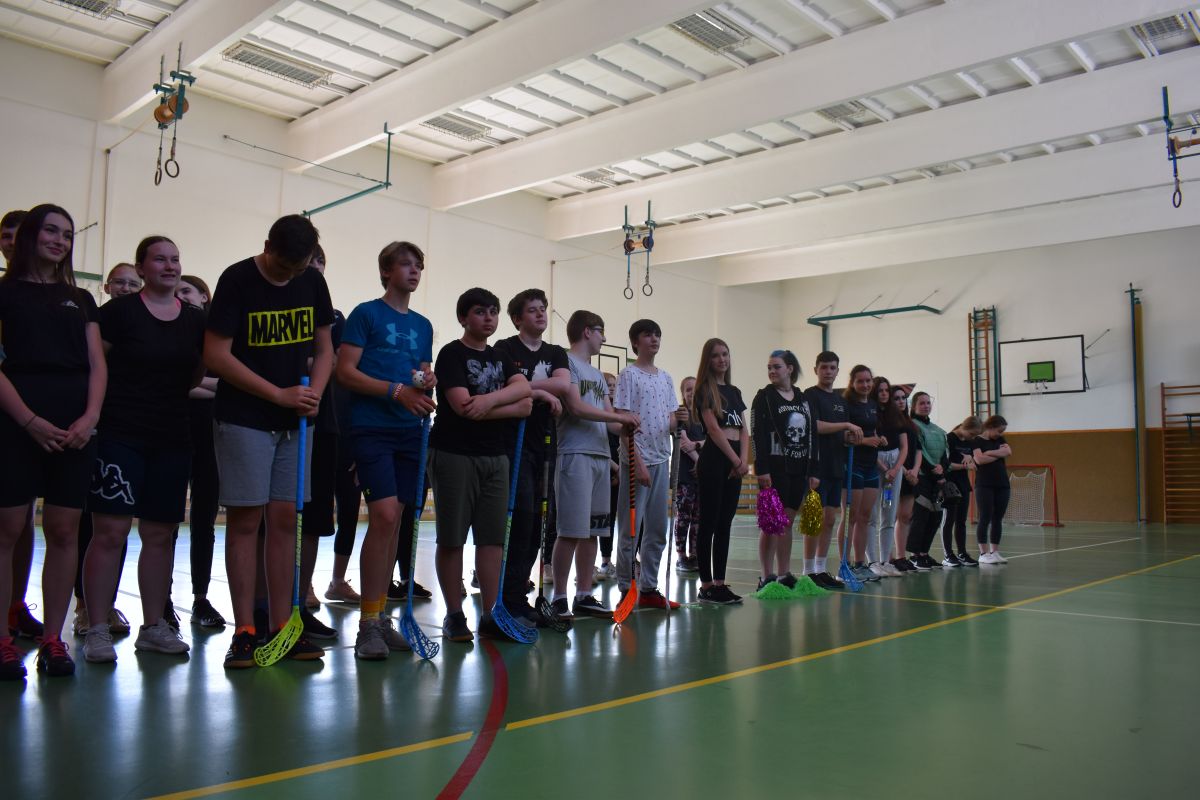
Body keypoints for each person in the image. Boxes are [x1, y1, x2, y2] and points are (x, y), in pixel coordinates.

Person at [204, 214, 334, 668]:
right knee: (245, 521)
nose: (290, 276)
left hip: (295, 422)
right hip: (245, 418)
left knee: (284, 522)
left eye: (298, 269)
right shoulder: (237, 279)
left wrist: (315, 393)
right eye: (283, 267)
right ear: (267, 246)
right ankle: (245, 630)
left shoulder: (311, 281)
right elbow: (216, 354)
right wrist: (277, 394)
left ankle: (283, 627)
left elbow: (325, 347)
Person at [80, 236, 205, 662]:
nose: (170, 266)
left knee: (159, 534)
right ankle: (96, 626)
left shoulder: (195, 320)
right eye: (160, 259)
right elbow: (96, 366)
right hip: (120, 435)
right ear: (141, 267)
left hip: (172, 437)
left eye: (175, 259)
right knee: (109, 532)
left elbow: (195, 375)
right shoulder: (118, 314)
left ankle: (153, 626)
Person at [0, 204, 106, 679]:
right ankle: (3, 640)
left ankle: (53, 639)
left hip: (74, 427)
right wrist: (28, 421)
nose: (59, 240)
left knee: (64, 531)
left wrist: (90, 418)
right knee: (7, 529)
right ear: (30, 235)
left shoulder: (80, 299)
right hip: (16, 423)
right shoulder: (4, 293)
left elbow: (97, 365)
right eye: (50, 231)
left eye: (67, 234)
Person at [336, 241, 435, 659]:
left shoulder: (424, 325)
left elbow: (421, 371)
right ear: (385, 272)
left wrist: (426, 380)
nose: (414, 272)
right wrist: (395, 391)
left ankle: (380, 617)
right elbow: (345, 372)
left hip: (410, 431)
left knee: (396, 524)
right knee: (384, 516)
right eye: (405, 265)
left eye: (419, 266)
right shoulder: (365, 314)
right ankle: (367, 625)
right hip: (372, 428)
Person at [428, 288, 532, 642]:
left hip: (495, 457)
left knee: (491, 541)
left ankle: (491, 614)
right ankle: (454, 615)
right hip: (454, 454)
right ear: (463, 318)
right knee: (452, 538)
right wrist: (503, 405)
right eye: (479, 312)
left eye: (493, 312)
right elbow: (462, 407)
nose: (488, 318)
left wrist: (487, 402)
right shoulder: (451, 354)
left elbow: (524, 396)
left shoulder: (501, 356)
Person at [551, 311, 638, 619]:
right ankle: (559, 596)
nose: (604, 338)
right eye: (601, 332)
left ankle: (584, 593)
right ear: (587, 332)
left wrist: (627, 424)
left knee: (593, 531)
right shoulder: (566, 364)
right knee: (570, 531)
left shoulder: (599, 375)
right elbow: (576, 407)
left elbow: (610, 421)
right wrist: (616, 417)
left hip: (601, 457)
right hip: (575, 454)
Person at [72, 263, 142, 637]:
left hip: (132, 430)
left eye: (133, 283)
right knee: (91, 524)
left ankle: (107, 603)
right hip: (98, 429)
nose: (126, 288)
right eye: (120, 282)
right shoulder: (93, 325)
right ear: (108, 287)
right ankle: (84, 606)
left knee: (120, 527)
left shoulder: (143, 325)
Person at [493, 289, 569, 626]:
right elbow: (504, 389)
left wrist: (527, 387)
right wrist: (538, 390)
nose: (540, 314)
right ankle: (508, 595)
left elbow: (563, 385)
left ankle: (519, 591)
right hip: (513, 443)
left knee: (539, 520)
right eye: (532, 310)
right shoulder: (505, 349)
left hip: (545, 444)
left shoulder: (555, 352)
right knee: (521, 518)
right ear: (517, 318)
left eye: (543, 309)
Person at [614, 320, 687, 611]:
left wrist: (679, 418)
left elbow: (668, 422)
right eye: (648, 335)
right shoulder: (628, 375)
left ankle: (648, 588)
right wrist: (637, 463)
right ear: (636, 342)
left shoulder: (666, 378)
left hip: (661, 459)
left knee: (657, 529)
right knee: (630, 529)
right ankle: (625, 587)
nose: (654, 339)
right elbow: (623, 424)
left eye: (657, 334)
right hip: (637, 461)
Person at [292, 245, 344, 640]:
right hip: (277, 424)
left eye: (319, 263)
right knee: (271, 521)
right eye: (307, 262)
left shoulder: (334, 319)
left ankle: (299, 599)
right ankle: (266, 608)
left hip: (322, 427)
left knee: (312, 521)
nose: (313, 269)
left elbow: (336, 362)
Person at [0, 208, 43, 641]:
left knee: (22, 515)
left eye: (20, 234)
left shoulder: (56, 299)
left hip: (28, 420)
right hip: (10, 415)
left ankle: (16, 605)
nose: (13, 242)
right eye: (6, 235)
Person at [175, 275, 226, 627]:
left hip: (210, 436)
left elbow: (228, 382)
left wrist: (193, 384)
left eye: (186, 290)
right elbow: (171, 383)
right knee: (166, 522)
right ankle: (163, 600)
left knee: (204, 521)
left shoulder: (217, 335)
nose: (181, 296)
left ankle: (200, 598)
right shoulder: (173, 332)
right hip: (174, 430)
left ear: (204, 296)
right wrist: (202, 385)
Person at [751, 350, 818, 590]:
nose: (772, 371)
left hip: (798, 468)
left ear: (790, 369)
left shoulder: (803, 399)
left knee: (787, 522)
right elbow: (757, 434)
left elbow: (811, 434)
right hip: (773, 468)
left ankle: (784, 573)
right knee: (772, 524)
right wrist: (761, 468)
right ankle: (766, 575)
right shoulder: (764, 397)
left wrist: (813, 469)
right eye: (769, 367)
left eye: (776, 366)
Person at [691, 338, 749, 605]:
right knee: (709, 523)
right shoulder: (705, 390)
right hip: (715, 459)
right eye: (716, 355)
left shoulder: (734, 391)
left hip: (735, 460)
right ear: (708, 360)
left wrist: (743, 459)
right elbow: (714, 430)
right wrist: (735, 459)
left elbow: (743, 430)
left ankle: (720, 583)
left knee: (725, 523)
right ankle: (706, 585)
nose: (722, 359)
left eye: (725, 354)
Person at [802, 352, 861, 589]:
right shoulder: (809, 395)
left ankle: (820, 568)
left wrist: (849, 437)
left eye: (832, 367)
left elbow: (840, 433)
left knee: (829, 519)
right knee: (813, 520)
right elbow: (813, 426)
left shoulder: (840, 401)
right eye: (824, 367)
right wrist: (845, 425)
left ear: (837, 371)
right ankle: (808, 571)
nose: (828, 371)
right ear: (816, 369)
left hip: (837, 466)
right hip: (816, 466)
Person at [842, 364, 885, 582]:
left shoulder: (873, 405)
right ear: (852, 383)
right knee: (851, 516)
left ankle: (860, 563)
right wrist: (866, 441)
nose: (865, 384)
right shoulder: (846, 405)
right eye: (860, 381)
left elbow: (872, 430)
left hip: (870, 466)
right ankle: (845, 564)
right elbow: (844, 436)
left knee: (865, 517)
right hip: (853, 465)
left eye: (868, 380)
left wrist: (878, 438)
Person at [865, 376, 905, 577]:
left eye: (886, 390)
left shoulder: (896, 413)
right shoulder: (870, 412)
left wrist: (895, 469)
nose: (883, 394)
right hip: (876, 463)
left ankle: (885, 561)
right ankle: (872, 561)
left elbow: (904, 446)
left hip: (895, 464)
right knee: (871, 516)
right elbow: (871, 445)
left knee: (889, 514)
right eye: (880, 390)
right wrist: (884, 468)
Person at [904, 391, 949, 571]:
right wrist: (934, 470)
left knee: (935, 517)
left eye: (928, 403)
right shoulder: (912, 426)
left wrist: (942, 468)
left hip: (937, 479)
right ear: (914, 406)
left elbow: (945, 453)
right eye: (921, 403)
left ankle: (924, 553)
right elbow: (919, 451)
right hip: (922, 478)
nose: (925, 406)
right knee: (920, 517)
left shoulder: (938, 430)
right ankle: (915, 556)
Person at [888, 385, 922, 574]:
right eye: (896, 398)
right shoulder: (888, 423)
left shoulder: (911, 424)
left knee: (905, 516)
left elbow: (918, 450)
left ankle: (901, 557)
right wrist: (903, 470)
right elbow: (893, 451)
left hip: (910, 476)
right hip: (894, 473)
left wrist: (914, 471)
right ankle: (888, 557)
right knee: (889, 517)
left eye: (903, 398)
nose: (901, 401)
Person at [593, 371, 622, 583]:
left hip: (620, 470)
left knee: (613, 519)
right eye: (608, 384)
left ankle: (610, 560)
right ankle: (600, 562)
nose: (611, 388)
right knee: (602, 518)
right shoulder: (599, 412)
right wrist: (614, 469)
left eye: (614, 385)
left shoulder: (618, 412)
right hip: (605, 468)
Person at [973, 415, 1013, 564]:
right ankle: (983, 553)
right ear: (990, 427)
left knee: (997, 518)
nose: (1000, 434)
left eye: (1002, 431)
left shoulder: (1000, 439)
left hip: (1002, 484)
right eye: (999, 430)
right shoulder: (976, 440)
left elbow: (1008, 452)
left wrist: (989, 453)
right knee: (985, 517)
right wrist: (998, 454)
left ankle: (994, 552)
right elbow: (979, 460)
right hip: (984, 484)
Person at [943, 416, 982, 567]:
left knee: (961, 521)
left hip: (963, 483)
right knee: (949, 520)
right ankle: (948, 554)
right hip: (950, 484)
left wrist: (969, 458)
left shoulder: (969, 442)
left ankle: (962, 553)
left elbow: (970, 459)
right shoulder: (949, 439)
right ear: (964, 427)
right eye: (971, 434)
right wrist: (965, 465)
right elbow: (946, 464)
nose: (972, 437)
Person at [674, 376, 703, 575]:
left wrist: (699, 445)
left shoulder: (705, 414)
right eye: (688, 389)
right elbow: (684, 443)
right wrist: (699, 461)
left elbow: (712, 439)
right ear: (683, 393)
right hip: (685, 474)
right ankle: (681, 556)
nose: (692, 392)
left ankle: (694, 554)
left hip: (702, 476)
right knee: (684, 516)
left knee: (698, 518)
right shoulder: (681, 414)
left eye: (695, 388)